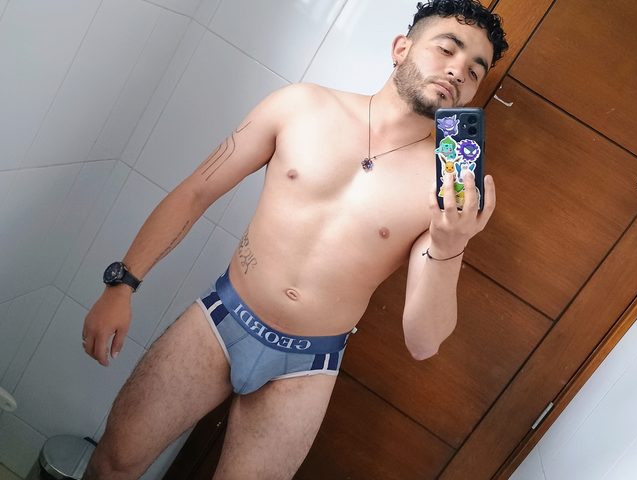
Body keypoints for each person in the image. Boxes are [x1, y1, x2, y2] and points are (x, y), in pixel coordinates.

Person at [81, 1, 508, 478]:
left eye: (475, 71)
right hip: (223, 318)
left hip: (308, 364)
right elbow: (197, 190)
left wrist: (450, 246)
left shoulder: (445, 187)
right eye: (447, 49)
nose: (458, 71)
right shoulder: (301, 106)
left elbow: (423, 342)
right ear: (400, 48)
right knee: (113, 462)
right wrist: (122, 284)